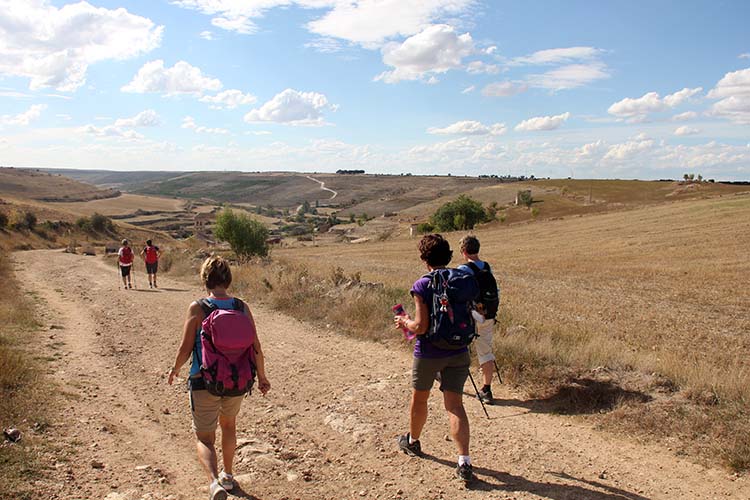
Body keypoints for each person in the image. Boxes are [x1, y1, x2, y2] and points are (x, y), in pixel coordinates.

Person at [168, 256, 271, 500]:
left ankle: (214, 483)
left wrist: (175, 368)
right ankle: (228, 475)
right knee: (229, 426)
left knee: (204, 437)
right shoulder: (241, 307)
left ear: (205, 279)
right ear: (228, 279)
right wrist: (263, 377)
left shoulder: (198, 307)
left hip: (204, 381)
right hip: (237, 381)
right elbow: (256, 347)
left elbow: (185, 348)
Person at [394, 234, 474, 483]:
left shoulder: (422, 285)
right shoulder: (461, 280)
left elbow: (420, 326)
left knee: (420, 400)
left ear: (424, 258)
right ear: (449, 256)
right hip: (459, 351)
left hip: (428, 353)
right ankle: (464, 462)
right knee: (455, 405)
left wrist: (404, 321)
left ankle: (413, 441)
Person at [458, 235, 500, 404]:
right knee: (485, 352)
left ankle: (448, 378)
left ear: (464, 251)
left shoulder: (463, 269)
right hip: (487, 315)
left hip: (470, 317)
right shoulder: (486, 267)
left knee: (457, 347)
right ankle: (486, 389)